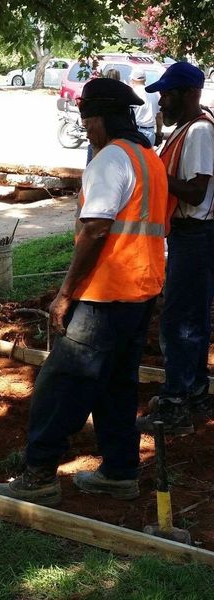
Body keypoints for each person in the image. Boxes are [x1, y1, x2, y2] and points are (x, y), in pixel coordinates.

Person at [0, 78, 168, 506]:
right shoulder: (149, 159)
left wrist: (66, 293)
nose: (86, 132)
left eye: (87, 123)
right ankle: (120, 472)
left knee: (62, 383)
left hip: (103, 295)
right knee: (116, 385)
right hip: (141, 292)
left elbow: (95, 227)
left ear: (100, 119)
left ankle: (39, 476)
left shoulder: (110, 161)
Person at [137, 62, 214, 435]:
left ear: (189, 94)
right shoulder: (186, 130)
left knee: (179, 320)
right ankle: (196, 391)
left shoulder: (199, 131)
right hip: (192, 234)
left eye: (167, 94)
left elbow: (197, 190)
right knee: (191, 317)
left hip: (196, 234)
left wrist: (154, 175)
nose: (161, 101)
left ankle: (175, 404)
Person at [130, 68, 162, 146]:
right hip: (150, 132)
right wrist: (158, 133)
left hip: (136, 131)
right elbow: (159, 116)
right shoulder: (154, 93)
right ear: (145, 79)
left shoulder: (132, 93)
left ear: (133, 79)